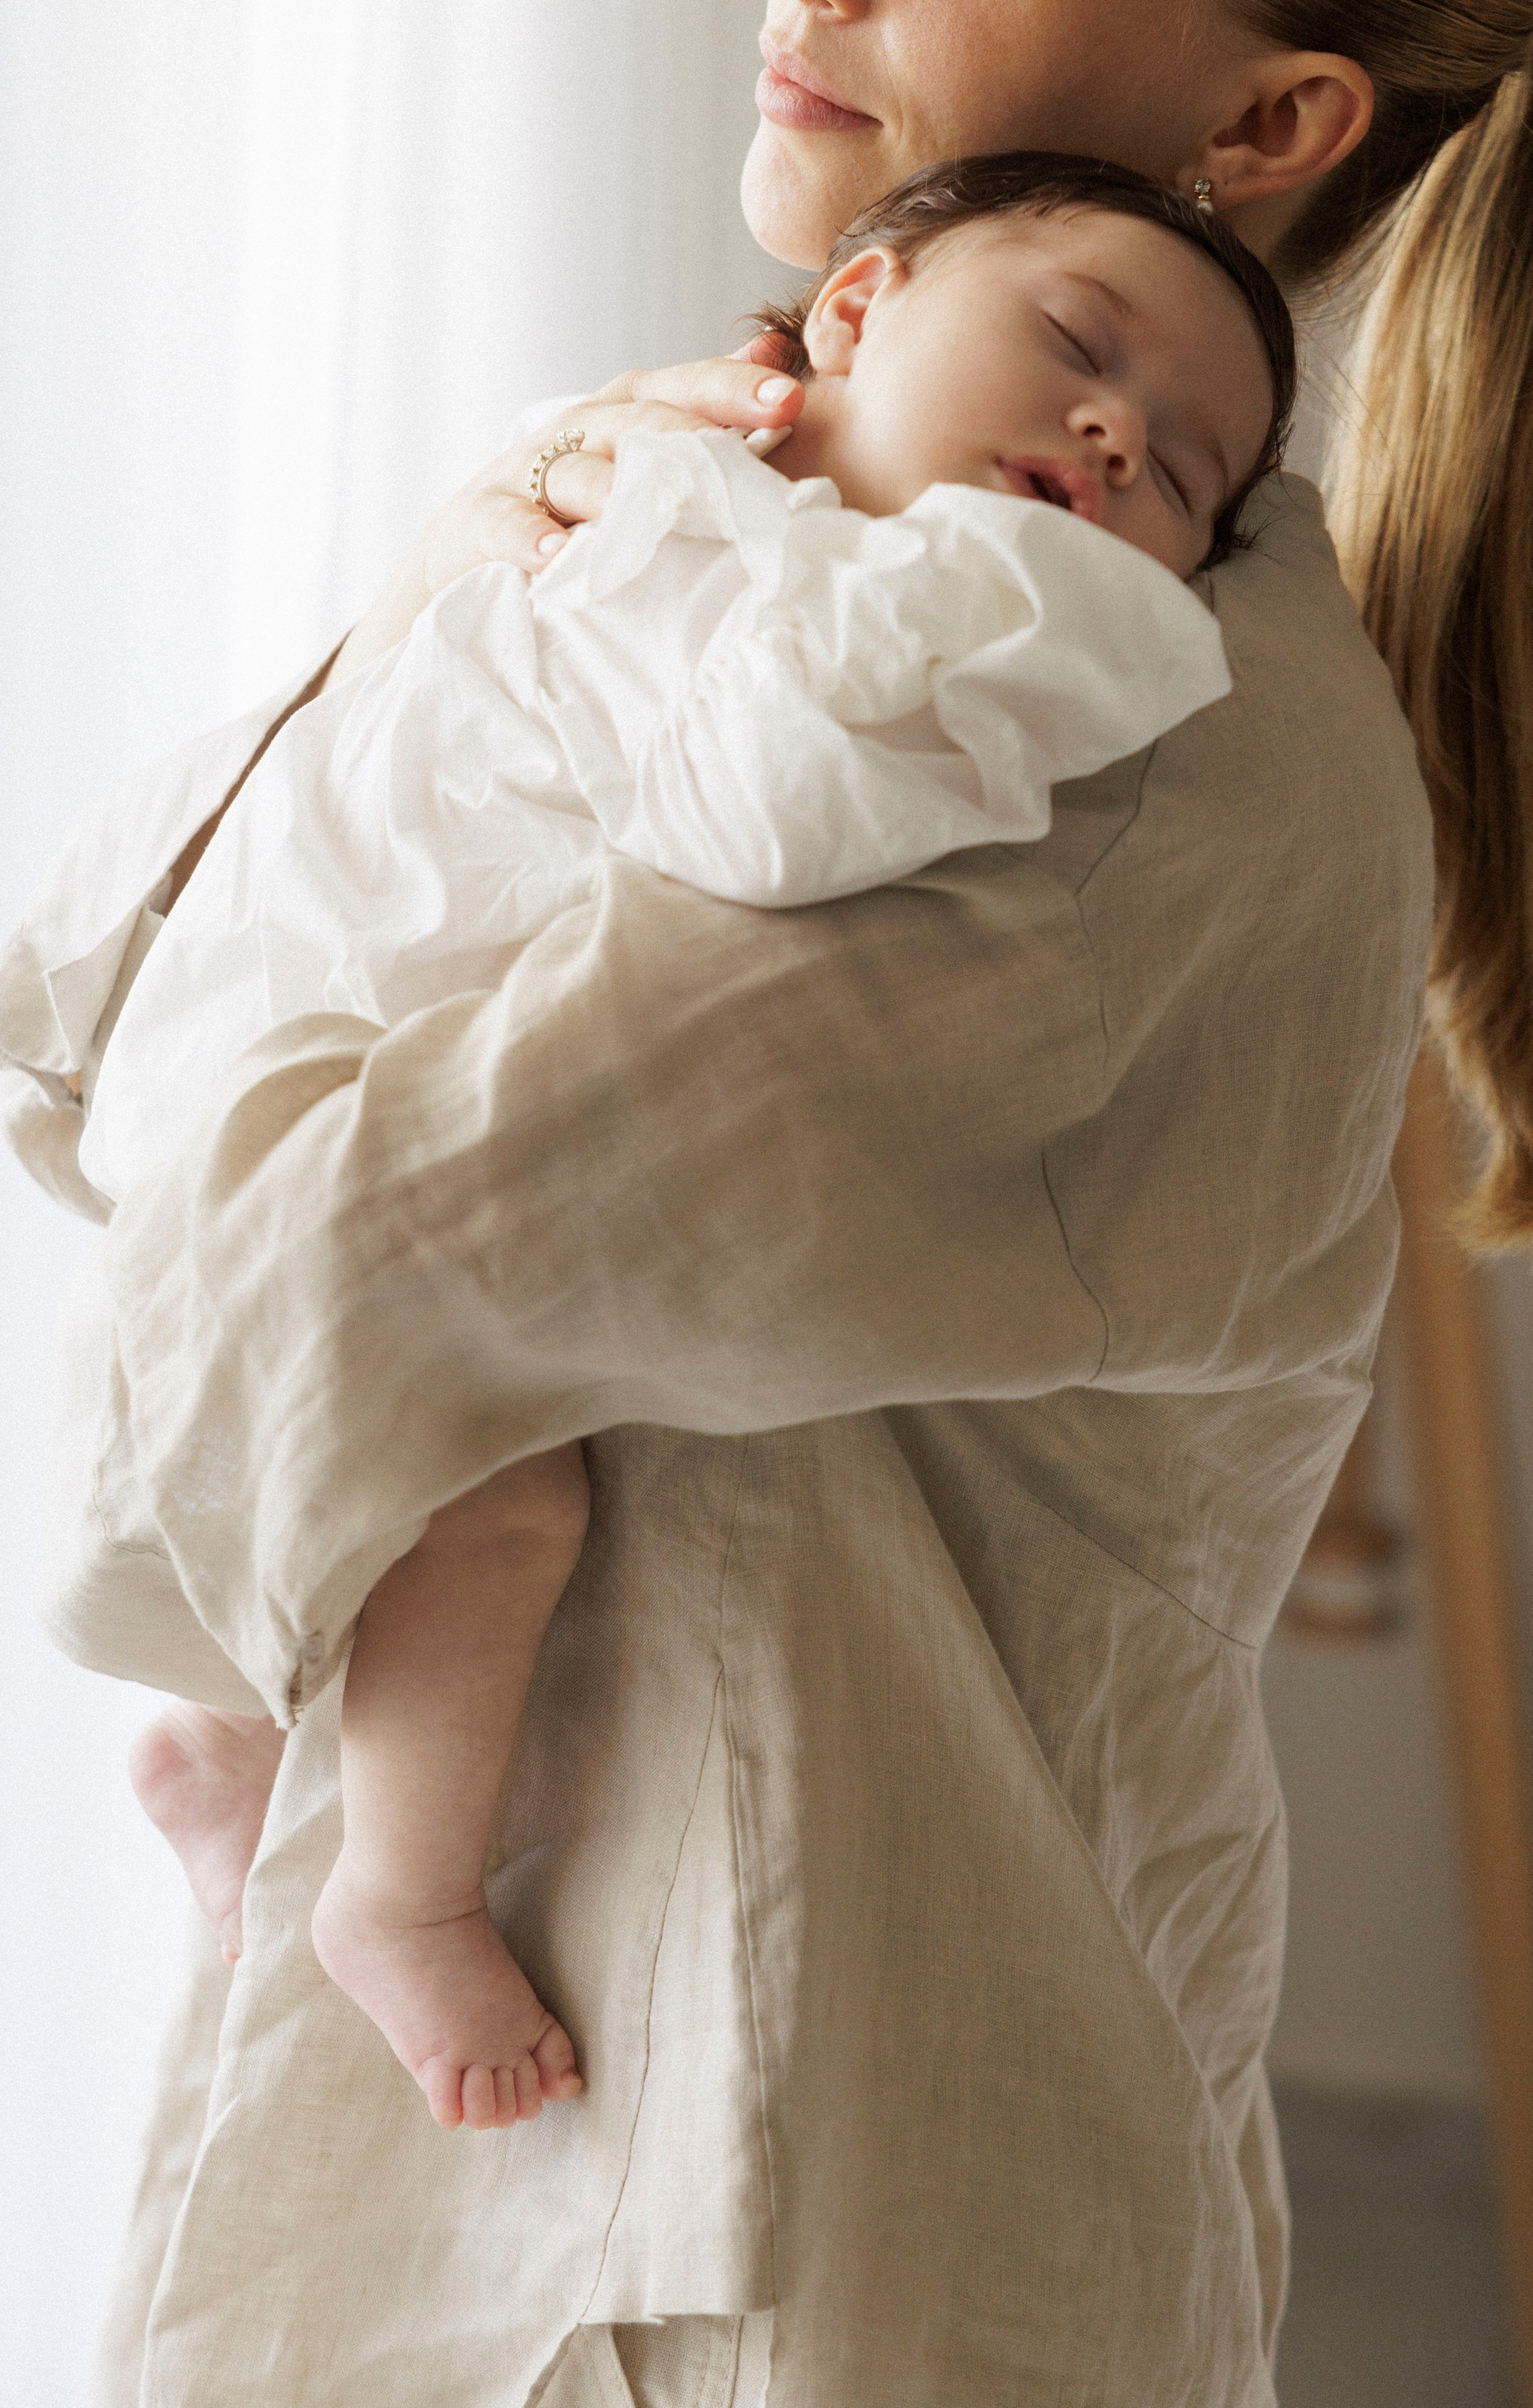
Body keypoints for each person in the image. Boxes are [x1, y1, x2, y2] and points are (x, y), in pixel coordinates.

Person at [0, 0, 1533, 2408]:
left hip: (811, 2232)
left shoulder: (1104, 735)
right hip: (565, 2161)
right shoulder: (776, 511)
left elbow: (314, 1252)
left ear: (1276, 128)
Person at [78, 154, 1293, 2135]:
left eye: (1176, 475)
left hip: (274, 1048)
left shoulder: (675, 495)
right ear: (852, 311)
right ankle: (394, 1890)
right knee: (494, 1501)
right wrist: (1065, 602)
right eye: (1079, 350)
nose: (1112, 432)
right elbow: (764, 812)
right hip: (284, 1069)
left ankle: (220, 1742)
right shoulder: (722, 544)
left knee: (395, 1459)